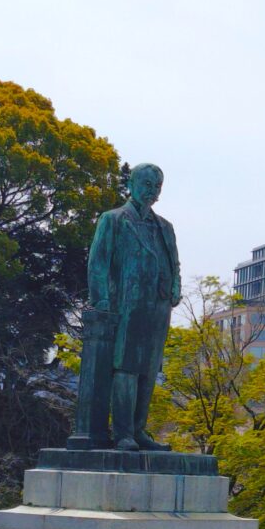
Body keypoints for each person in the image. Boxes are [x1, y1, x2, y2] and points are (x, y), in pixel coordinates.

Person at [87, 163, 180, 451]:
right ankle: (124, 433)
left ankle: (139, 430)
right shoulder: (113, 219)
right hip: (125, 304)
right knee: (125, 367)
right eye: (147, 184)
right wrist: (101, 300)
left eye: (157, 186)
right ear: (131, 184)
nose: (152, 191)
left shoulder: (165, 227)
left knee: (149, 370)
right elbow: (98, 262)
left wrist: (175, 288)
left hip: (158, 308)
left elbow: (174, 263)